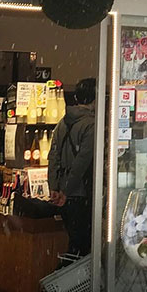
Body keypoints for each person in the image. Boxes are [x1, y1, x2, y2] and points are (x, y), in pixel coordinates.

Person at [48, 77, 96, 257]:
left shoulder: (63, 122)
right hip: (80, 193)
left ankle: (66, 271)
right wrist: (66, 191)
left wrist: (54, 187)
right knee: (81, 247)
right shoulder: (91, 125)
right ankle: (69, 274)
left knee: (74, 243)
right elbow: (82, 162)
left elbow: (53, 155)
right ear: (95, 99)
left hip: (63, 193)